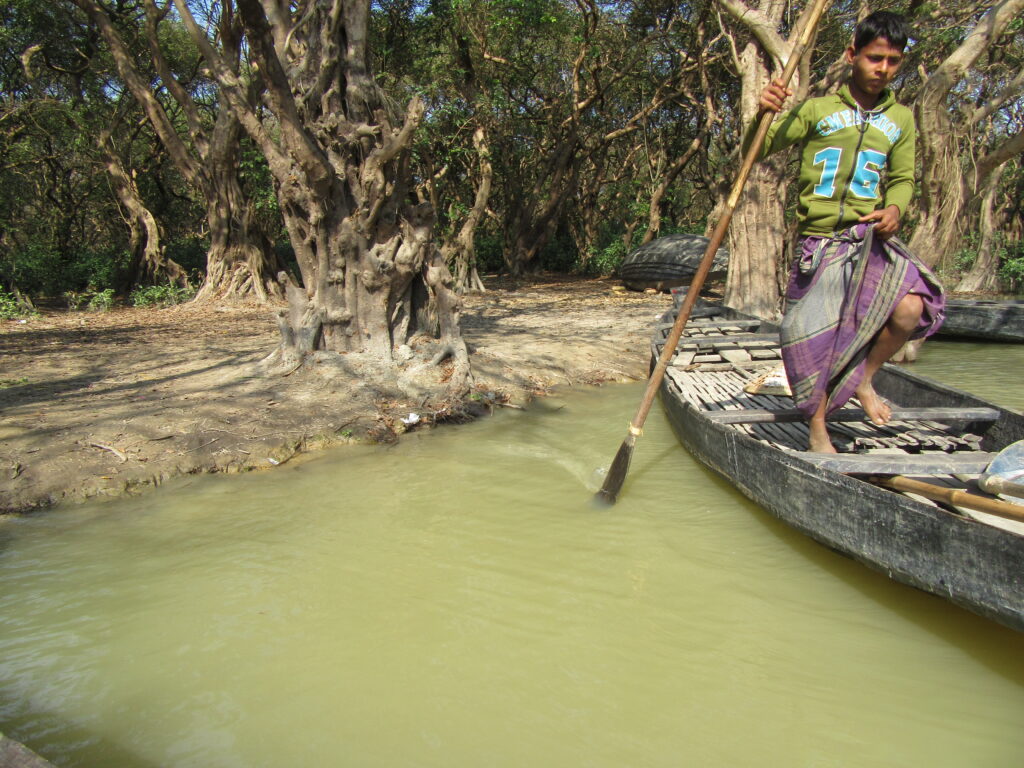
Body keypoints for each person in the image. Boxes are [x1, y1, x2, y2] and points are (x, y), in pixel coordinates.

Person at [747, 10, 945, 453]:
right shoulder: (817, 109)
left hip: (869, 239)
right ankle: (817, 425)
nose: (883, 69)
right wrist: (764, 114)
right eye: (875, 58)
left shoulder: (902, 119)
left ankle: (865, 379)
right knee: (812, 338)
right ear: (852, 54)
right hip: (820, 243)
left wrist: (896, 207)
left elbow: (903, 178)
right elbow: (756, 150)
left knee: (911, 310)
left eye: (893, 62)